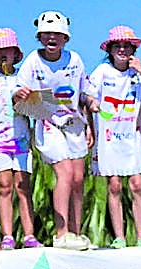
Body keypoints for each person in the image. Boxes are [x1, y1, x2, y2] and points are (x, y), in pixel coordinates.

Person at [14, 11, 93, 250]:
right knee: (65, 173)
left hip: (75, 123)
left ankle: (76, 232)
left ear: (65, 38)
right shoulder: (32, 61)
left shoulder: (75, 60)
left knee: (78, 179)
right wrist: (20, 94)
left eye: (57, 34)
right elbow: (17, 93)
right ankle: (61, 234)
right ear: (39, 37)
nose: (52, 38)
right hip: (47, 122)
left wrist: (91, 122)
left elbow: (84, 93)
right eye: (47, 34)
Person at [87, 25, 141, 248]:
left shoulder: (137, 74)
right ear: (110, 49)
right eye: (117, 46)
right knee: (114, 185)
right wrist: (93, 104)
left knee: (137, 185)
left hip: (133, 136)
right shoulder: (102, 72)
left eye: (127, 46)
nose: (122, 50)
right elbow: (88, 98)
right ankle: (119, 236)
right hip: (108, 136)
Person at [0, 27, 41, 249]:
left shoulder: (24, 77)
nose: (3, 54)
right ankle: (8, 236)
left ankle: (29, 235)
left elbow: (36, 107)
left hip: (21, 138)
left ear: (15, 53)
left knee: (23, 186)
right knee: (4, 186)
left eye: (7, 50)